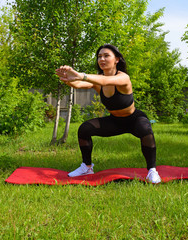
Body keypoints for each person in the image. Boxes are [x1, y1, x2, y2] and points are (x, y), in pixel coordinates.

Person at [55, 44, 161, 183]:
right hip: (115, 121)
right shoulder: (97, 80)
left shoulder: (123, 78)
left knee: (146, 130)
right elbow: (79, 84)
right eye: (99, 56)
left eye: (106, 56)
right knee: (84, 129)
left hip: (134, 119)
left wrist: (81, 75)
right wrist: (68, 79)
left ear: (116, 59)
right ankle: (87, 167)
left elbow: (105, 80)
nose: (102, 59)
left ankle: (152, 170)